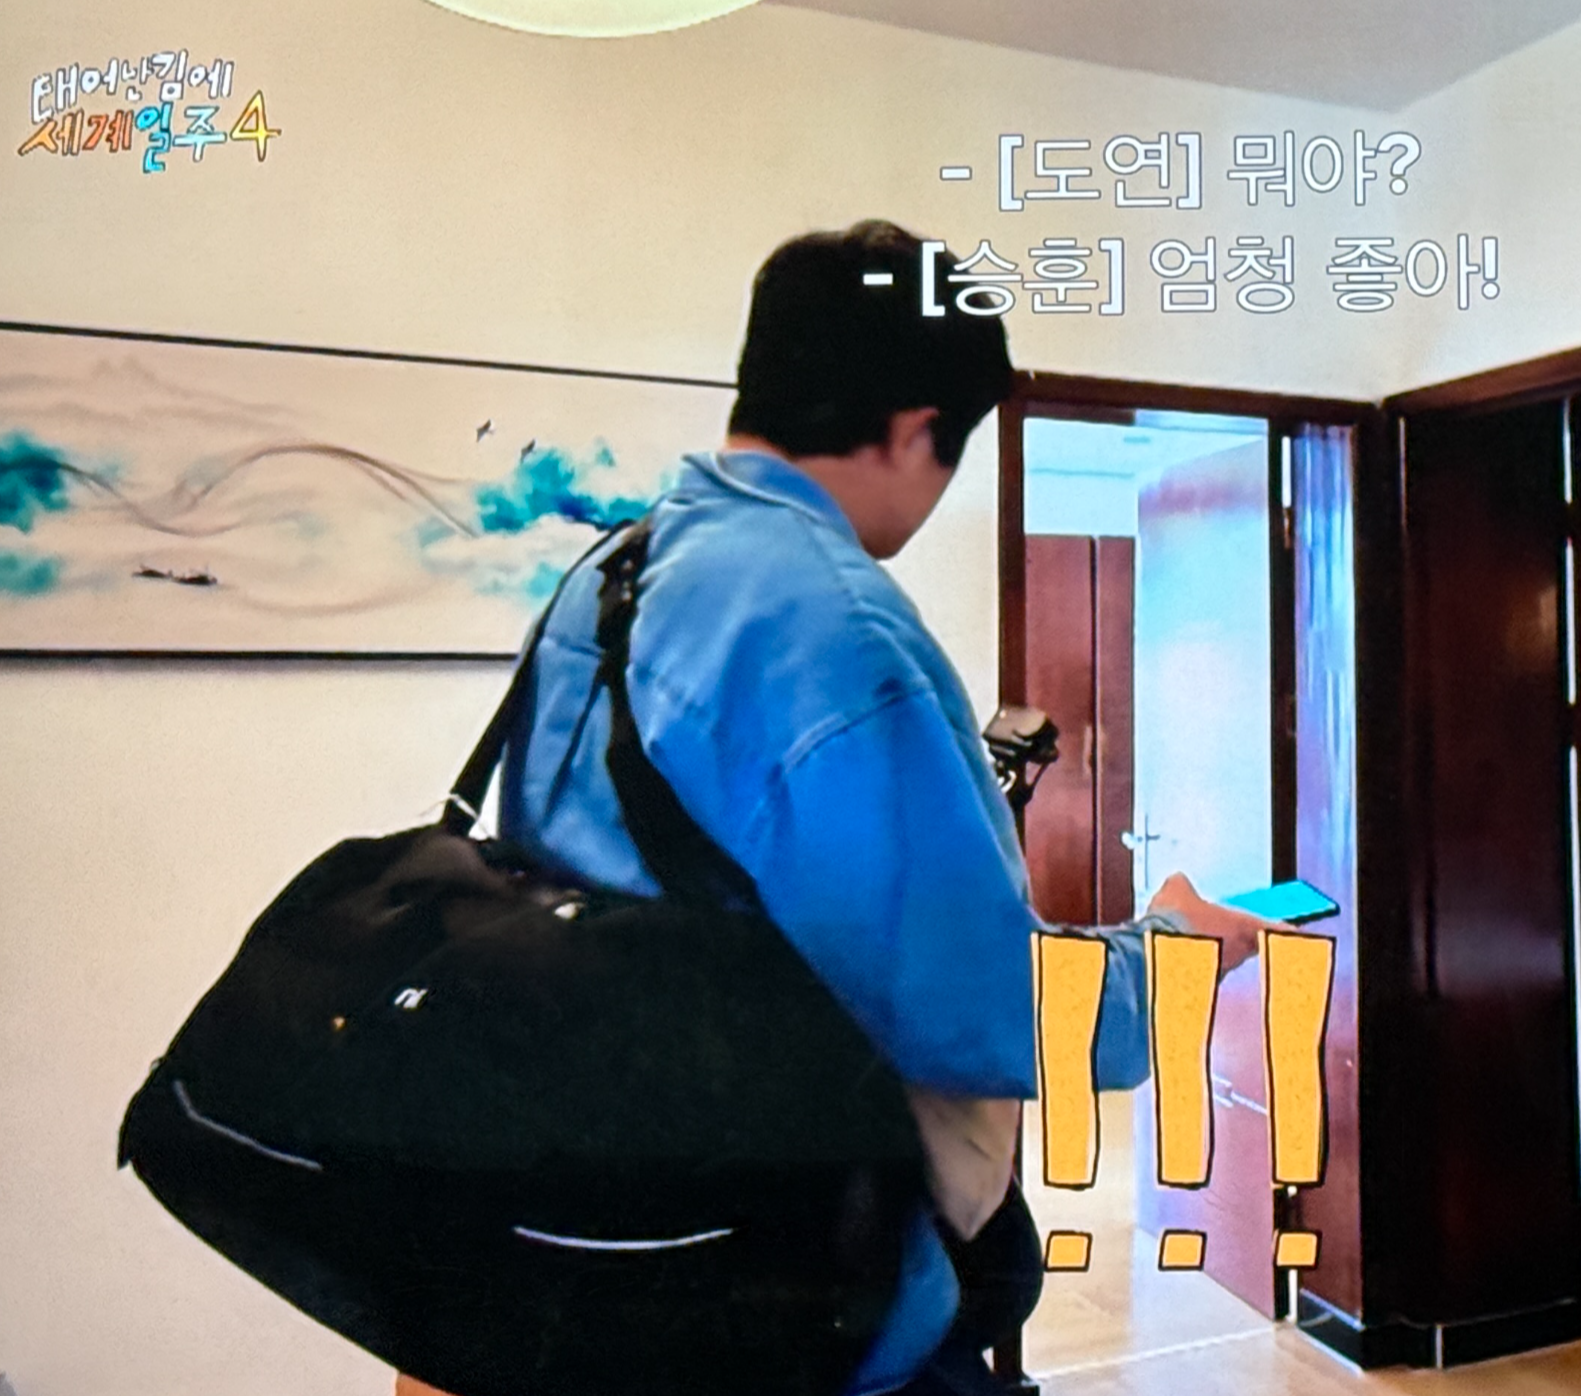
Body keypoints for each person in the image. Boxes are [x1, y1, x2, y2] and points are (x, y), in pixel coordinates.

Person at [401, 220, 1274, 1396]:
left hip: (592, 1244)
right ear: (916, 429)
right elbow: (982, 1015)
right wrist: (1180, 951)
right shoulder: (835, 630)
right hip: (784, 1293)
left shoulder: (608, 576)